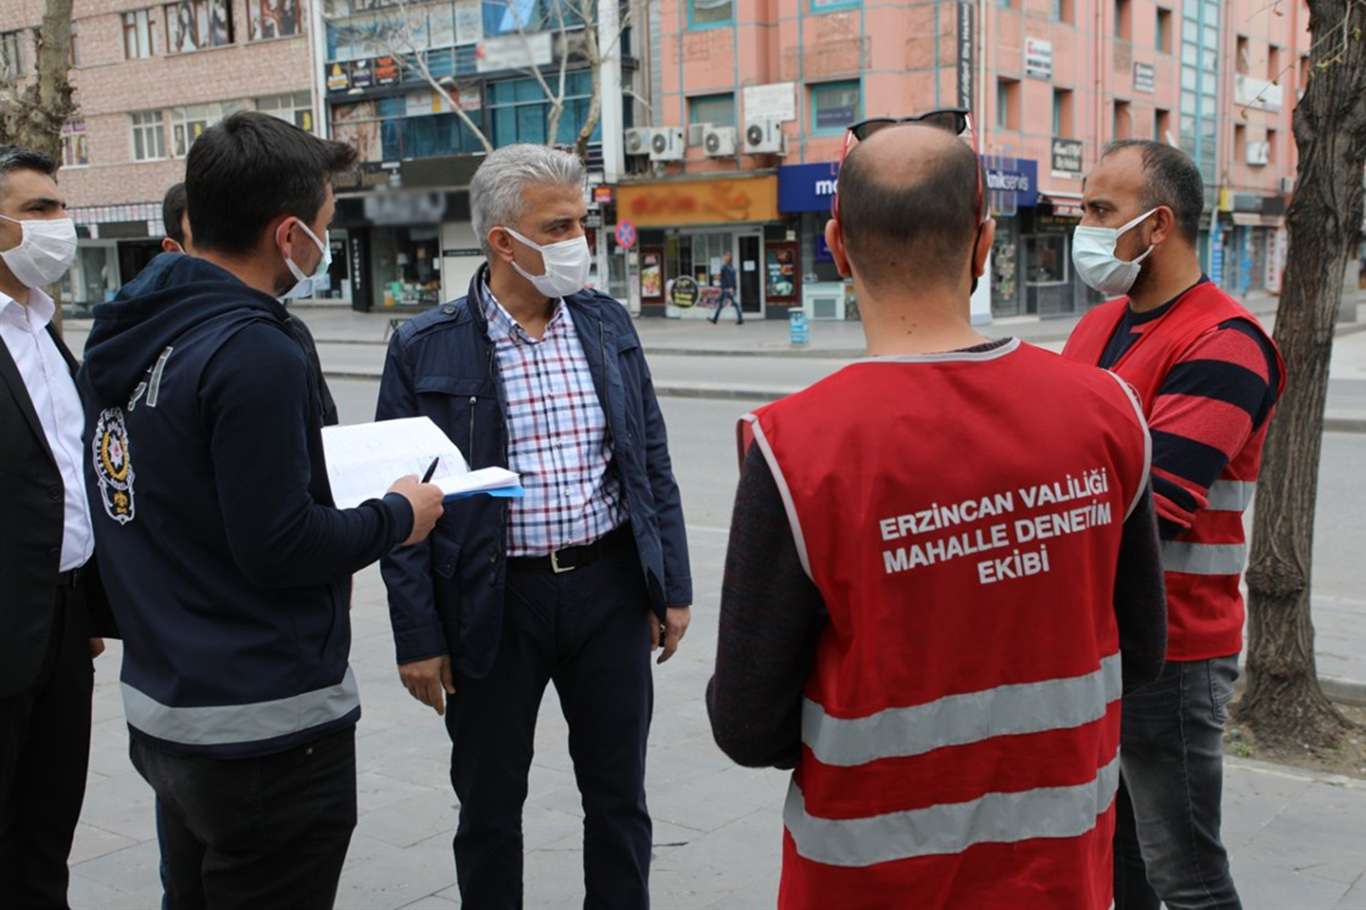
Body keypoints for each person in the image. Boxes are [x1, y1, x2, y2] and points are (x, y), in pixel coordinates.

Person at [707, 121, 1169, 909]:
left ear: (837, 247)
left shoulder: (793, 448)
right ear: (984, 245)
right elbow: (1145, 649)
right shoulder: (1107, 413)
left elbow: (749, 725)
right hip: (1057, 872)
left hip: (866, 878)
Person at [77, 112, 445, 909]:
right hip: (264, 728)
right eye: (323, 224)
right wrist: (397, 514)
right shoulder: (253, 351)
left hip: (168, 707)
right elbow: (280, 545)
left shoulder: (132, 333)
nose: (325, 240)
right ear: (287, 234)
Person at [376, 143, 692, 908]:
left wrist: (670, 586)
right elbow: (399, 506)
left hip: (608, 591)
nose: (578, 241)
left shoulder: (606, 324)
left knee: (618, 801)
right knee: (488, 810)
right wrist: (418, 636)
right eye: (559, 225)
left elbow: (649, 460)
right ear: (502, 241)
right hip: (493, 603)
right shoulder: (426, 346)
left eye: (581, 222)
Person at [1062, 139, 1284, 910]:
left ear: (1157, 227)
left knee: (1184, 872)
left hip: (1177, 649)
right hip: (1104, 643)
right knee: (1118, 863)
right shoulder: (1097, 329)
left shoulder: (1227, 343)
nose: (1084, 227)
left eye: (1099, 211)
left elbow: (1150, 507)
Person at [0, 145, 117, 910]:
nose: (59, 224)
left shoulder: (44, 328)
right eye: (39, 209)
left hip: (64, 619)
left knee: (47, 828)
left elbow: (68, 476)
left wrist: (90, 607)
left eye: (60, 206)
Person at [159, 180, 338, 425]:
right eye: (205, 244)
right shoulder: (149, 335)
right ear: (173, 250)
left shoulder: (288, 333)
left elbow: (322, 429)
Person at [708, 250, 742, 325]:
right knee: (727, 304)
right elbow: (726, 278)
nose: (725, 257)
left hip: (727, 289)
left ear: (729, 257)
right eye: (725, 255)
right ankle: (715, 319)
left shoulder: (726, 267)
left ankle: (715, 319)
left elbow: (729, 278)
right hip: (727, 289)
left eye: (727, 256)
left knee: (731, 304)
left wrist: (731, 288)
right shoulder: (730, 267)